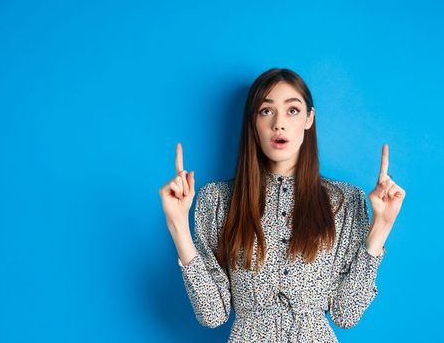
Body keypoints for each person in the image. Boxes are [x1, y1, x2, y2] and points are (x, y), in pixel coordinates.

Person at [158, 68, 406, 342]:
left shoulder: (345, 201)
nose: (279, 124)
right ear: (253, 122)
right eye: (266, 111)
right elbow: (213, 314)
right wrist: (178, 225)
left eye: (292, 110)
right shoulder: (216, 200)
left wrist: (381, 227)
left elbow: (345, 314)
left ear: (309, 118)